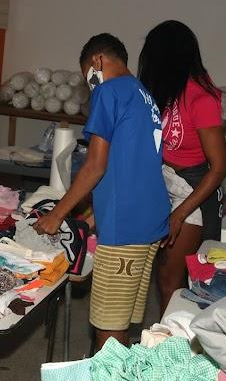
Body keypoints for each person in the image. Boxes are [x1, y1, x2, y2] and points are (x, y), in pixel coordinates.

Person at [34, 34, 169, 350]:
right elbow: (131, 164)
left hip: (126, 228)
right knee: (124, 322)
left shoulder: (108, 91)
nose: (91, 85)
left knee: (108, 329)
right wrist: (95, 214)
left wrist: (56, 214)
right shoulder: (143, 94)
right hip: (150, 221)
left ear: (97, 61)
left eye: (88, 78)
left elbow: (95, 166)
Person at [138, 20, 226, 316]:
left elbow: (219, 168)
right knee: (161, 269)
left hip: (194, 189)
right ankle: (162, 336)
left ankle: (166, 345)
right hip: (167, 180)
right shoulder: (167, 91)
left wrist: (180, 213)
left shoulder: (201, 98)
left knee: (170, 276)